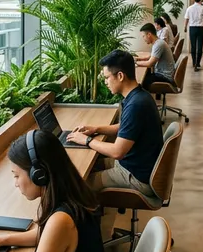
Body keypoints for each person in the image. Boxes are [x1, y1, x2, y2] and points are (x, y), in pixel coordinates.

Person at [67, 49, 162, 201]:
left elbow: (118, 152)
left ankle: (91, 223)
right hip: (137, 164)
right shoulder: (139, 96)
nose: (105, 82)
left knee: (80, 184)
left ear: (120, 76)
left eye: (106, 77)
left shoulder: (136, 105)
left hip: (136, 176)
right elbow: (125, 128)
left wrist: (87, 141)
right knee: (90, 166)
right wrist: (96, 129)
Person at [137, 23, 175, 90]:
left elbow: (150, 64)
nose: (143, 38)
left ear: (149, 34)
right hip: (163, 74)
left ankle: (145, 99)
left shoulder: (159, 44)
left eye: (143, 36)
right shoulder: (158, 42)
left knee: (140, 83)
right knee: (145, 77)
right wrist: (138, 58)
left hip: (165, 77)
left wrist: (135, 63)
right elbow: (151, 56)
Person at [183, 0, 203, 70]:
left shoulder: (189, 8)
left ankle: (194, 63)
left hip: (192, 29)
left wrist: (185, 27)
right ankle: (197, 63)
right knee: (200, 46)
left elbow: (186, 19)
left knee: (193, 46)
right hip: (200, 29)